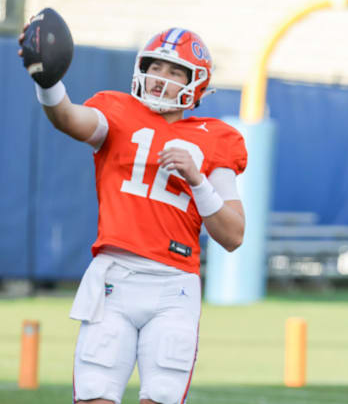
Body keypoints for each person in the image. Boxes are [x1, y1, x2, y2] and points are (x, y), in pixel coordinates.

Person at [18, 27, 247, 404]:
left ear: (196, 83)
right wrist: (49, 83)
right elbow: (69, 119)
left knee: (160, 398)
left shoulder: (217, 138)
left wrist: (198, 181)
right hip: (115, 281)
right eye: (154, 65)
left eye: (174, 71)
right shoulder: (117, 110)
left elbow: (234, 235)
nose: (160, 77)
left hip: (174, 285)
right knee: (94, 397)